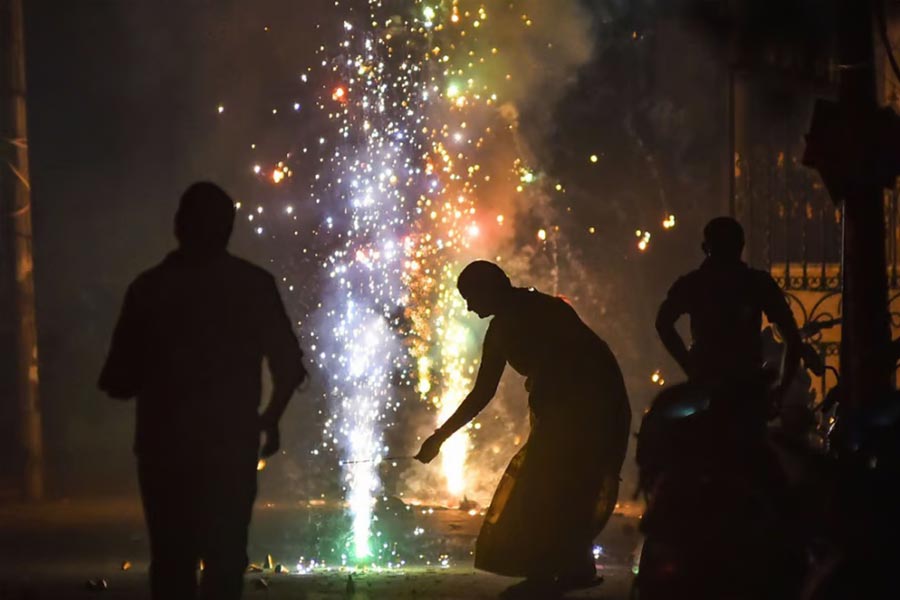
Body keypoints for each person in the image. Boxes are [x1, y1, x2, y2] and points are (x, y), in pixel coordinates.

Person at [98, 182, 306, 600]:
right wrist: (269, 419)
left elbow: (117, 381)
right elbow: (290, 368)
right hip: (232, 446)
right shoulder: (253, 285)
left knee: (172, 560)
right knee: (226, 559)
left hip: (164, 449)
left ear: (178, 226)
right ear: (228, 229)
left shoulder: (149, 289)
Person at [415, 261, 631, 598]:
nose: (470, 308)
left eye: (471, 298)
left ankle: (548, 572)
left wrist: (440, 437)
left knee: (545, 488)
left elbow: (585, 359)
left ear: (490, 289)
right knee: (563, 488)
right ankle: (570, 567)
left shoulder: (536, 314)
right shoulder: (513, 323)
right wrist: (439, 437)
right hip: (573, 410)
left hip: (585, 409)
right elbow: (482, 392)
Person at [656, 216, 802, 416]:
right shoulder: (756, 284)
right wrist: (780, 390)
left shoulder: (693, 284)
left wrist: (689, 366)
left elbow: (663, 323)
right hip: (746, 390)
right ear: (741, 246)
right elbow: (792, 336)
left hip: (707, 385)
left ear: (705, 247)